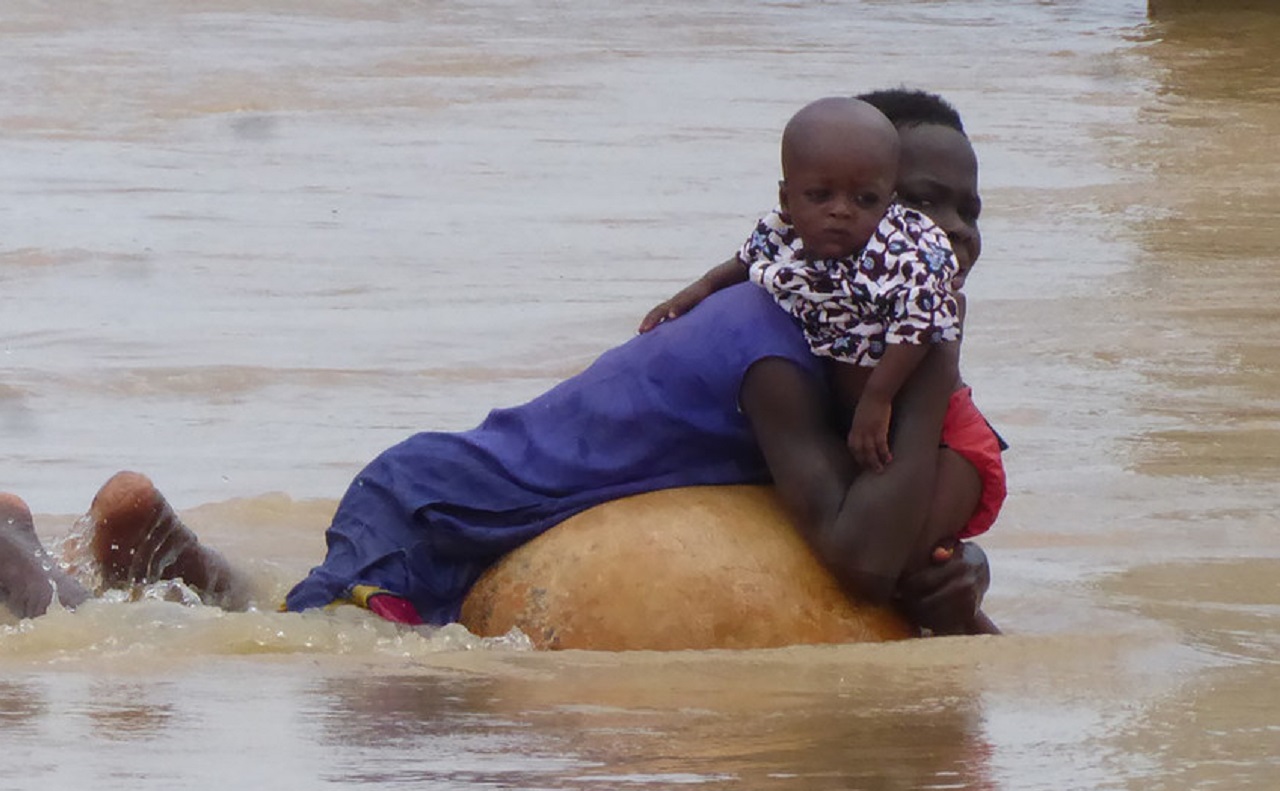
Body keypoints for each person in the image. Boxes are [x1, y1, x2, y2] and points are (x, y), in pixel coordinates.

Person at [0, 88, 998, 637]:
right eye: (903, 208)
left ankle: (171, 563)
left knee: (304, 619)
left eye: (963, 211)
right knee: (307, 664)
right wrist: (936, 344)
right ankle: (39, 588)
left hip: (473, 512)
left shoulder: (821, 333)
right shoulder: (769, 345)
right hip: (436, 507)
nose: (937, 236)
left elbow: (911, 548)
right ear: (798, 205)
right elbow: (862, 551)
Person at [641, 88, 1006, 550]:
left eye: (968, 212)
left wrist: (923, 362)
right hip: (871, 445)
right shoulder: (803, 263)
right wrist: (698, 291)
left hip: (952, 444)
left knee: (913, 566)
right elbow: (748, 259)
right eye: (924, 202)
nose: (955, 226)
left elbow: (914, 335)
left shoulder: (919, 298)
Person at [731, 96, 963, 475]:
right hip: (841, 401)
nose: (841, 210)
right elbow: (744, 261)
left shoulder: (902, 254)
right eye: (820, 195)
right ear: (786, 199)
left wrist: (878, 398)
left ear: (888, 203)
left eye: (865, 199)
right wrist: (692, 295)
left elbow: (920, 324)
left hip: (911, 413)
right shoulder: (785, 228)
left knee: (881, 508)